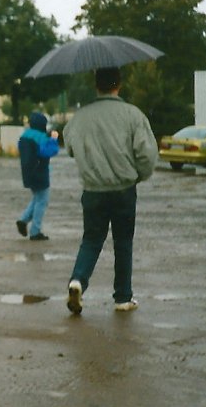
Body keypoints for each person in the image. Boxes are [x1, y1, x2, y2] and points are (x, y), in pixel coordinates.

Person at [62, 67, 158, 314]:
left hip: (93, 190)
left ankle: (77, 281)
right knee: (123, 242)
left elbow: (69, 146)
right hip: (124, 189)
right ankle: (123, 298)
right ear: (119, 85)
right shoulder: (133, 115)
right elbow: (147, 154)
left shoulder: (80, 117)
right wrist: (138, 175)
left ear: (96, 85)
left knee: (91, 239)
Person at [15, 111, 60, 241]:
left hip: (27, 172)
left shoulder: (24, 135)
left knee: (37, 198)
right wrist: (53, 139)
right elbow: (49, 151)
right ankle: (35, 231)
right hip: (40, 172)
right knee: (42, 201)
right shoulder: (41, 137)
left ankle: (23, 220)